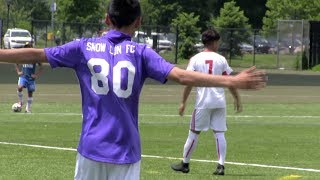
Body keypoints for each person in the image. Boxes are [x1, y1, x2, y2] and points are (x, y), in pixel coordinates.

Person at [0, 0, 266, 179]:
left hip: (90, 149)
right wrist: (231, 81)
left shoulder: (83, 47)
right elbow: (183, 76)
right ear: (138, 22)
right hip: (126, 151)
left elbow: (36, 53)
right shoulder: (141, 53)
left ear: (106, 19)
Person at [170, 28, 241, 176]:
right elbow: (230, 81)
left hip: (203, 102)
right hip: (219, 102)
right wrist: (237, 98)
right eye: (218, 41)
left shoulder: (195, 59)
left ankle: (185, 164)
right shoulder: (221, 59)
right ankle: (221, 166)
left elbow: (189, 82)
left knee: (194, 133)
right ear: (213, 42)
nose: (219, 44)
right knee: (219, 133)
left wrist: (183, 102)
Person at [15, 42, 43, 113]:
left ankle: (27, 109)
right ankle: (21, 101)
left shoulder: (35, 58)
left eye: (29, 47)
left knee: (30, 93)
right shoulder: (23, 56)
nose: (27, 48)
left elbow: (41, 67)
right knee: (19, 87)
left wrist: (36, 75)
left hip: (30, 78)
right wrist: (18, 71)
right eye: (26, 47)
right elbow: (16, 63)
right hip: (23, 76)